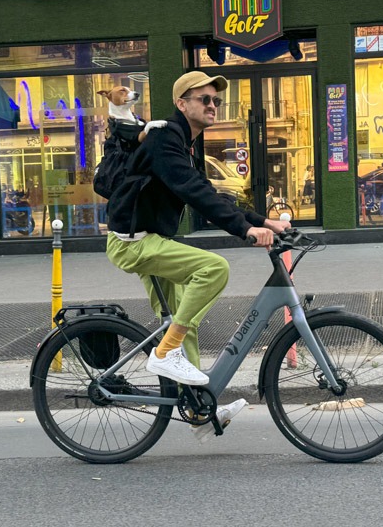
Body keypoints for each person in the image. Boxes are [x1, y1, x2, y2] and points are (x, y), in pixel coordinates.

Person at [105, 70, 291, 441]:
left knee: (182, 319)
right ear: (181, 103)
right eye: (203, 99)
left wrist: (263, 220)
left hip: (150, 238)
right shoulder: (164, 138)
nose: (212, 105)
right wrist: (244, 230)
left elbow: (210, 193)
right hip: (134, 242)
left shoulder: (183, 142)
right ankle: (164, 354)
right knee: (213, 269)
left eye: (216, 100)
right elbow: (193, 192)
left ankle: (198, 412)